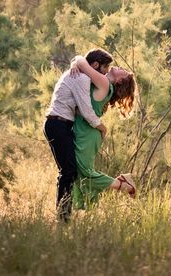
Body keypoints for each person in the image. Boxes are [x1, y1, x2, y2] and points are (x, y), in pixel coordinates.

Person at [43, 49, 112, 222]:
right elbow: (87, 111)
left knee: (69, 171)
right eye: (104, 68)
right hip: (57, 124)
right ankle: (63, 218)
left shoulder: (78, 72)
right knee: (68, 171)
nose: (105, 73)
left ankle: (64, 216)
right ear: (95, 65)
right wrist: (102, 128)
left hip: (61, 125)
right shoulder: (81, 78)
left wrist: (78, 61)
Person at [69, 54, 137, 210]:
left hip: (87, 134)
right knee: (79, 173)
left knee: (84, 171)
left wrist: (75, 63)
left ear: (119, 80)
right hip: (85, 131)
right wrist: (75, 64)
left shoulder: (104, 82)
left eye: (123, 71)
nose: (120, 67)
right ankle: (88, 209)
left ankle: (123, 185)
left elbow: (81, 61)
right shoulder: (102, 82)